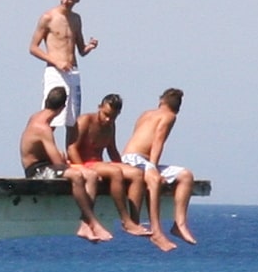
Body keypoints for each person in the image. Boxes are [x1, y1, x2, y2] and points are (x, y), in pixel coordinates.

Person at [19, 88, 112, 243]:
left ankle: (85, 224)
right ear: (62, 108)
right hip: (36, 170)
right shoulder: (44, 128)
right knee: (76, 175)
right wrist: (69, 163)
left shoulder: (36, 116)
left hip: (46, 165)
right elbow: (58, 163)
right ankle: (93, 221)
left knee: (91, 174)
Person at [121, 88, 198, 247]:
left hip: (137, 159)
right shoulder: (169, 116)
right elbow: (158, 142)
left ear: (161, 101)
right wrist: (153, 168)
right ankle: (156, 231)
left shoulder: (146, 113)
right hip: (134, 159)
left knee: (186, 176)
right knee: (154, 179)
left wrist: (151, 167)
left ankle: (180, 224)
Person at [68, 93, 149, 238]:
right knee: (115, 172)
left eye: (113, 116)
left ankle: (134, 221)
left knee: (137, 174)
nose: (108, 119)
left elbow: (112, 150)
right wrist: (82, 169)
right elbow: (71, 148)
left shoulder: (111, 125)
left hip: (100, 163)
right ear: (99, 107)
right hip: (86, 163)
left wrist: (125, 167)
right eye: (105, 114)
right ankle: (125, 220)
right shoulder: (85, 120)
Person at [28, 0, 97, 149]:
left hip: (72, 72)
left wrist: (89, 47)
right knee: (51, 115)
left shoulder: (76, 19)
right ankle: (43, 155)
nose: (66, 1)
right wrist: (55, 61)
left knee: (72, 120)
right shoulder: (48, 17)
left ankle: (70, 158)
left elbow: (80, 49)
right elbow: (33, 47)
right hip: (55, 71)